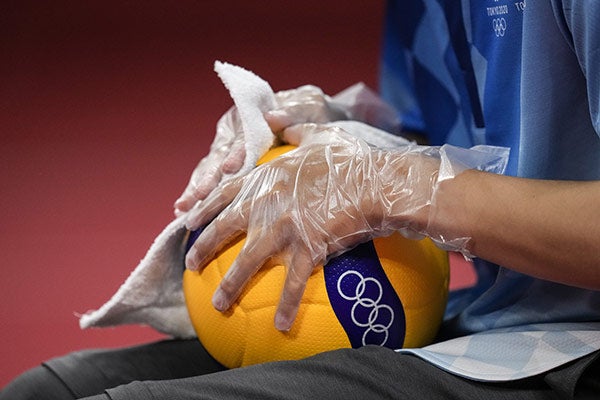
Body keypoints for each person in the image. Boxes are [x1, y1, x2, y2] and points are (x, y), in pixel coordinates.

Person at [2, 1, 600, 399]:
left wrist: (394, 184)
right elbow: (469, 140)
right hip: (497, 320)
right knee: (46, 393)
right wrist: (347, 127)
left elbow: (425, 185)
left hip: (577, 347)